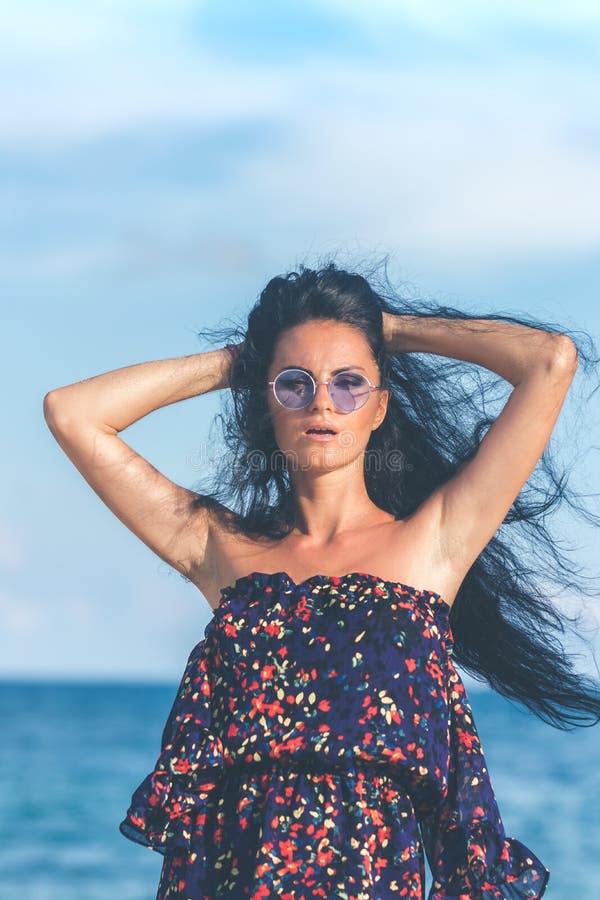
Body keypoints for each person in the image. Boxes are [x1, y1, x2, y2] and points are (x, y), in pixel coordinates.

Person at [44, 261, 600, 899]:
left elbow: (549, 361)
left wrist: (387, 328)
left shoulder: (435, 540)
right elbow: (73, 412)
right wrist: (245, 361)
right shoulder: (220, 547)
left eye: (348, 383)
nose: (321, 403)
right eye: (294, 385)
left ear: (379, 405)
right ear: (266, 402)